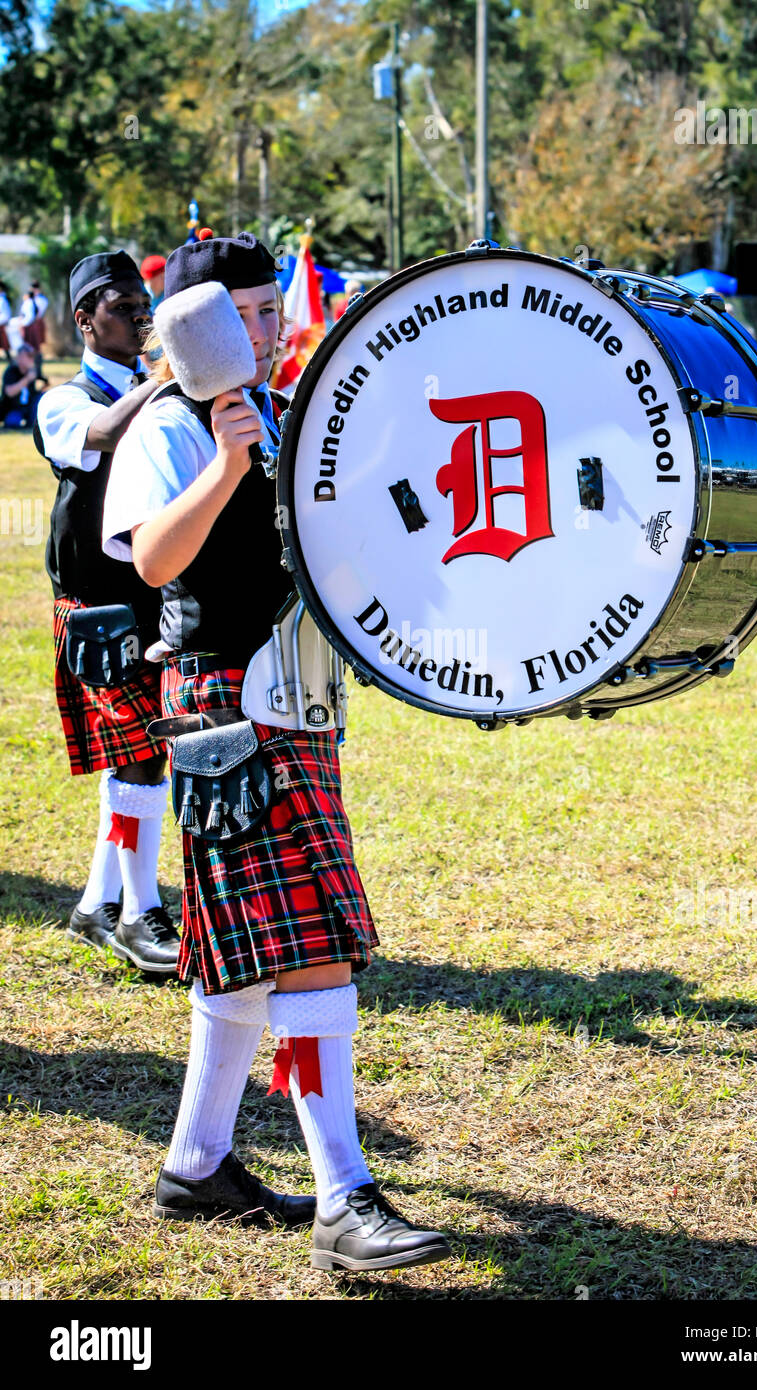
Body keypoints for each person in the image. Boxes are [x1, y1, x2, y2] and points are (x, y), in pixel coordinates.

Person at [103, 232, 451, 1271]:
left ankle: (198, 1163)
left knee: (247, 948)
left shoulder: (294, 414)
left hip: (299, 697)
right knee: (306, 938)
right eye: (243, 313)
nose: (266, 326)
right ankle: (345, 1196)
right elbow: (157, 558)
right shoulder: (167, 426)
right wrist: (226, 460)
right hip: (224, 699)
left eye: (269, 308)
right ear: (190, 331)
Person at [34, 250, 181, 973]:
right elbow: (102, 436)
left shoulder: (162, 391)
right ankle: (137, 911)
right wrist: (165, 380)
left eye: (145, 302)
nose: (140, 315)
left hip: (158, 596)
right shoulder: (63, 400)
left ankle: (98, 903)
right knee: (140, 758)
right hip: (98, 608)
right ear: (84, 320)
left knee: (142, 755)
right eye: (123, 306)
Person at [1, 343, 45, 428]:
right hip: (12, 408)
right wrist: (27, 379)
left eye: (32, 357)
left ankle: (33, 421)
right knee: (13, 421)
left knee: (42, 396)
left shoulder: (32, 371)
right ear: (20, 357)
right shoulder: (11, 371)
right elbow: (9, 392)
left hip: (29, 408)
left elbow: (41, 387)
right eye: (28, 356)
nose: (31, 359)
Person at [0, 280, 12, 362]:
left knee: (4, 344)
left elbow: (6, 315)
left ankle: (10, 360)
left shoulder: (2, 300)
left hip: (1, 324)